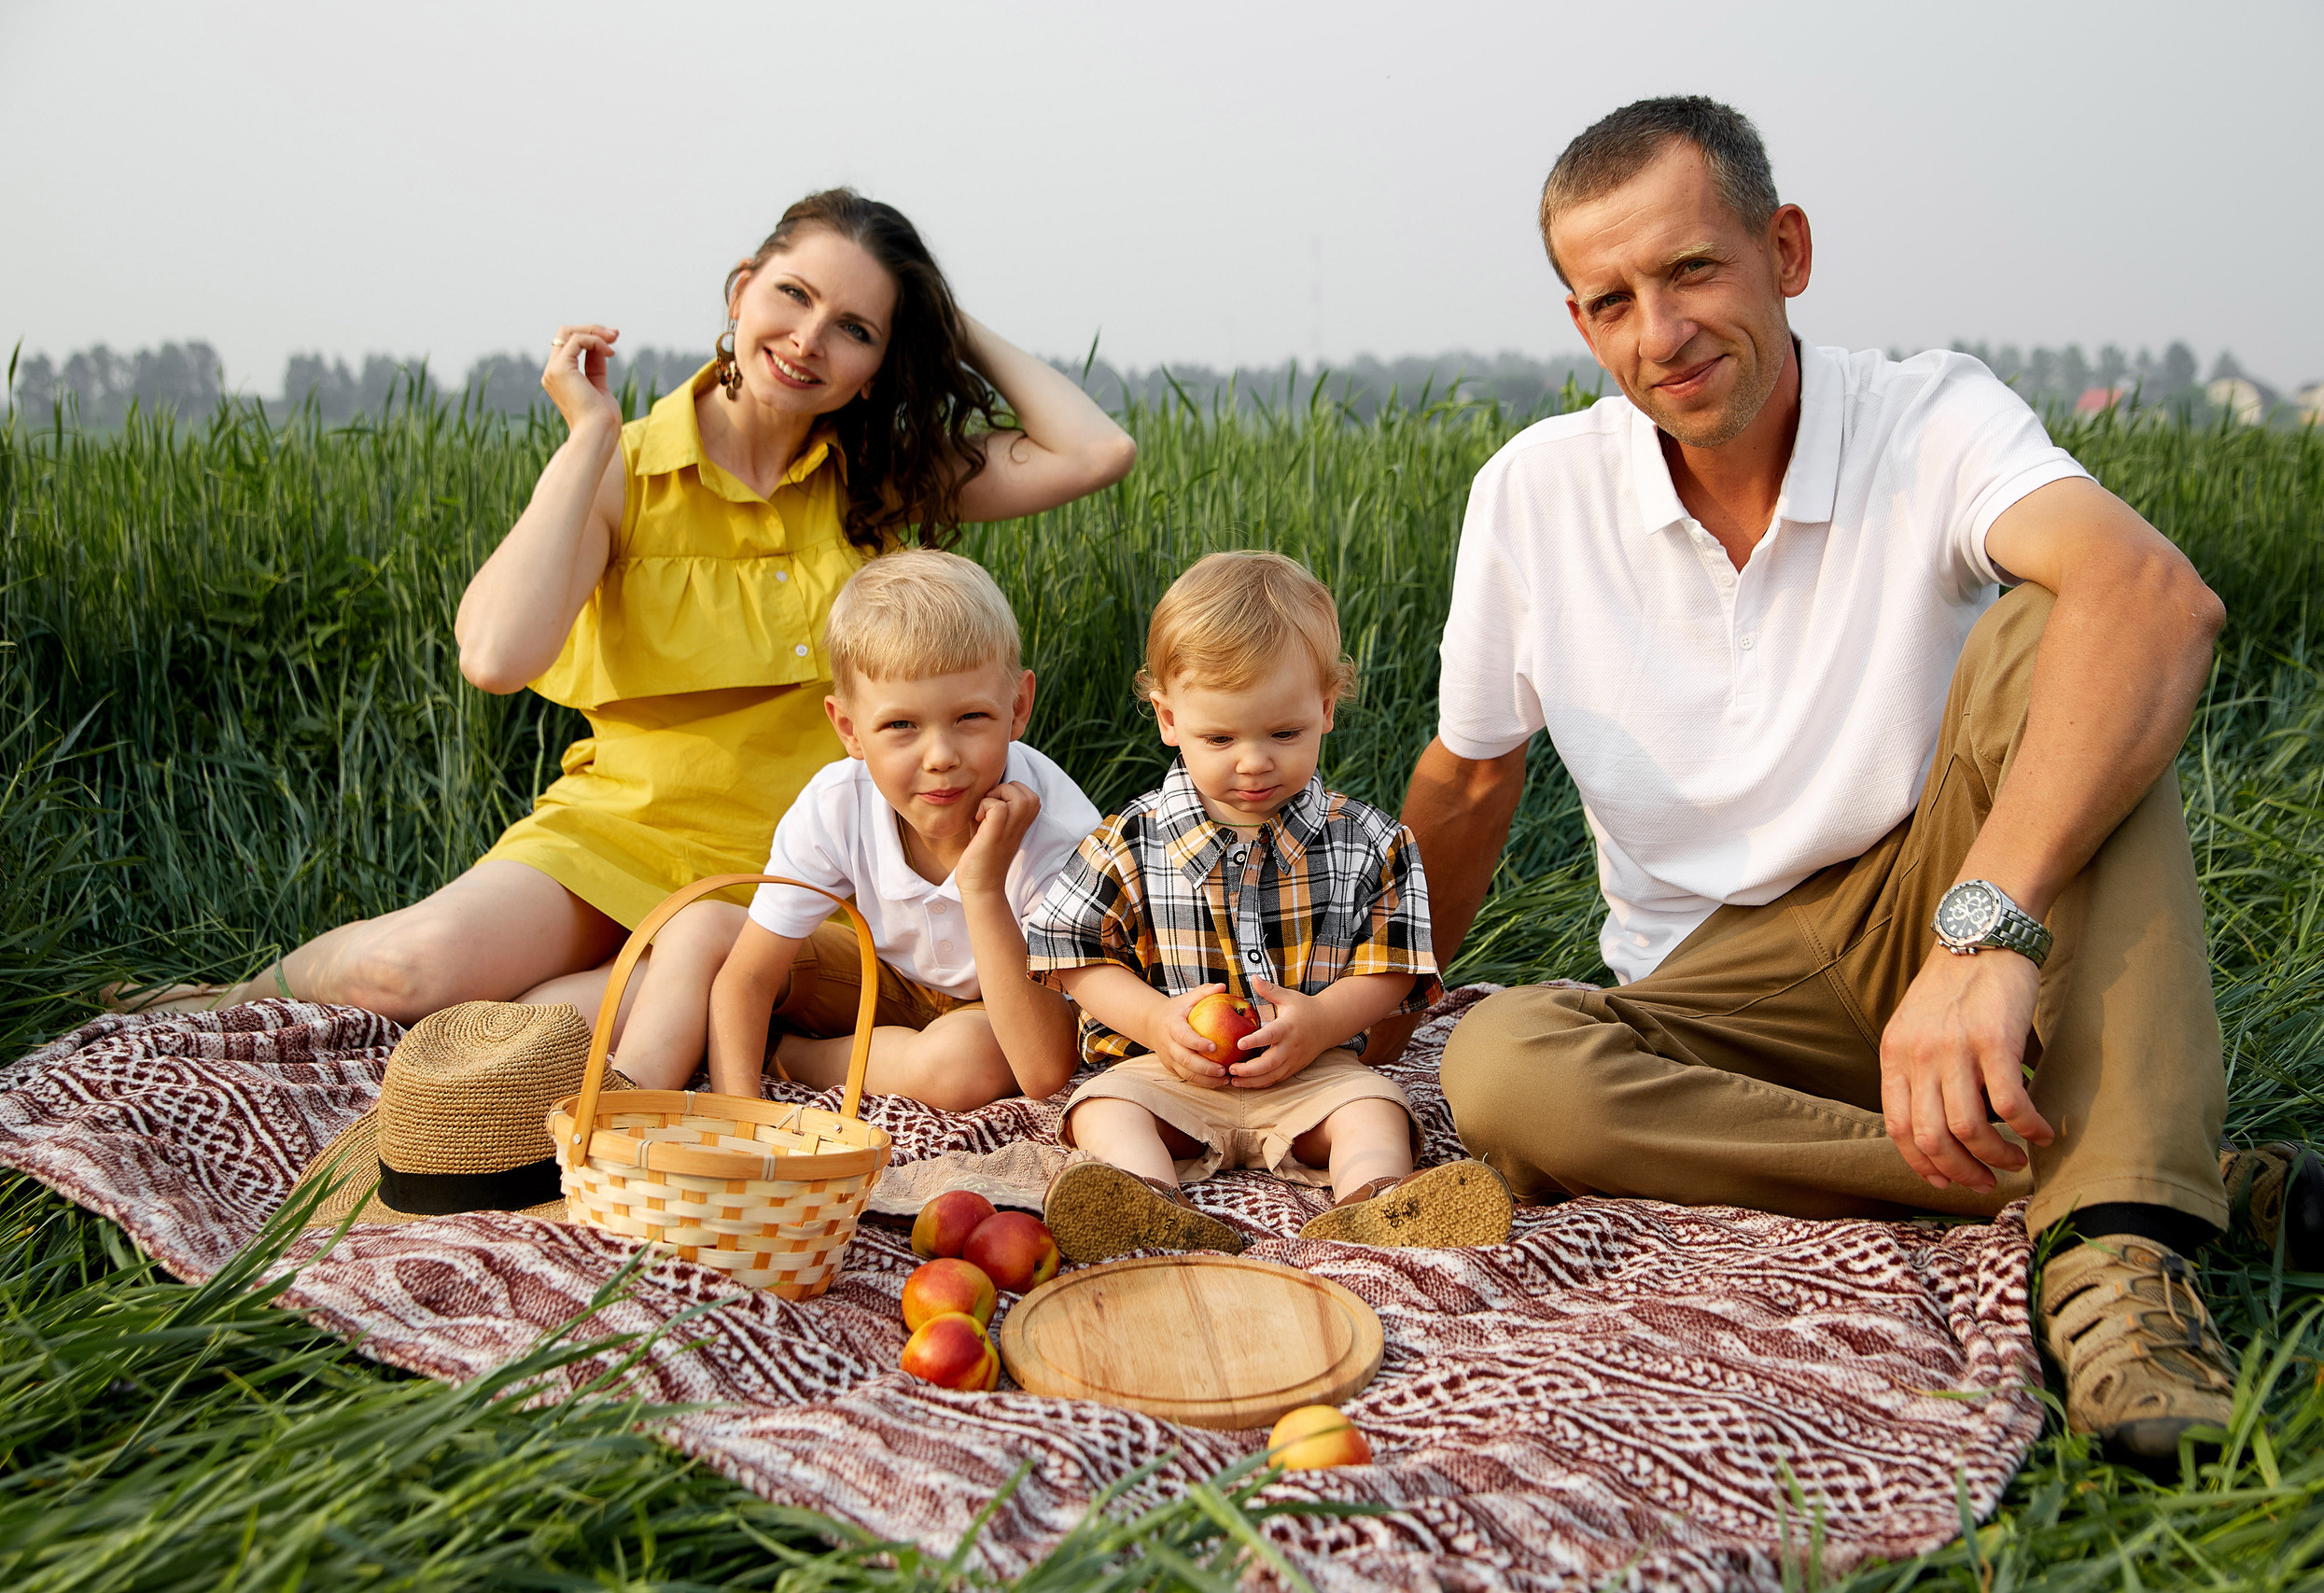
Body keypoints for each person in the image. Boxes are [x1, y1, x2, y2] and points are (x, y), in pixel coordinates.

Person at [1390, 96, 2324, 1465]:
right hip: (1718, 994)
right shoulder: (1533, 492)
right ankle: (2112, 1174)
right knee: (1503, 1068)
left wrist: (1982, 928)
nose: (1657, 333)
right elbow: (1472, 779)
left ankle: (2125, 1263)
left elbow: (2153, 595)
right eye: (1611, 300)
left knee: (2073, 629)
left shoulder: (1927, 414)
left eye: (1692, 271)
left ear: (1785, 249)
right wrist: (1367, 1006)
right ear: (1580, 323)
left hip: (1940, 896)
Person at [121, 189, 1136, 1091]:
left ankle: (631, 1057)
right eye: (790, 295)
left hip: (791, 877)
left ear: (878, 363)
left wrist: (944, 321)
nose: (808, 338)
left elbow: (1097, 449)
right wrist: (589, 436)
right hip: (618, 830)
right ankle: (230, 996)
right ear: (741, 291)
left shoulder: (881, 481)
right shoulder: (625, 462)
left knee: (545, 1033)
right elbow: (493, 656)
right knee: (405, 974)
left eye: (856, 328)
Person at [1026, 552, 1513, 1263]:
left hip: (1312, 1070)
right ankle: (1144, 1204)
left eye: (1282, 734)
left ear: (1324, 708)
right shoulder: (1130, 839)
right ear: (1168, 717)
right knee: (1105, 1108)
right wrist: (1157, 1021)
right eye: (1219, 738)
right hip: (1169, 1074)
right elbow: (1072, 952)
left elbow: (1395, 968)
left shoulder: (1369, 841)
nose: (1253, 761)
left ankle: (1376, 1203)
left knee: (1375, 1108)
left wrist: (1319, 1022)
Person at [703, 549, 1097, 1109]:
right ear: (850, 729)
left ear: (1018, 706)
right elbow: (748, 976)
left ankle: (789, 1057)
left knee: (965, 1063)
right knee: (702, 932)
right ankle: (633, 1092)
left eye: (970, 718)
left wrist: (982, 885)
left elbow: (1043, 1069)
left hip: (993, 1011)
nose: (940, 756)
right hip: (878, 982)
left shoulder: (1058, 831)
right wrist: (740, 1122)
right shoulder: (838, 803)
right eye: (901, 725)